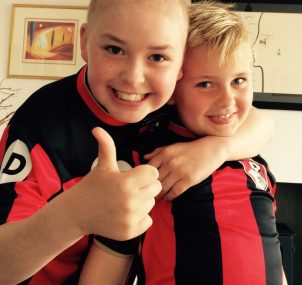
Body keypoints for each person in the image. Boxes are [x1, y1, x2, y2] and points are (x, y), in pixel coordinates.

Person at [0, 0, 274, 284]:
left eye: (157, 57)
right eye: (114, 50)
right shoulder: (44, 120)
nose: (133, 79)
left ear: (181, 65)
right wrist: (75, 215)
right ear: (84, 42)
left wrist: (217, 149)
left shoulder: (172, 102)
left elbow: (259, 122)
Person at [78, 1, 286, 285]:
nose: (227, 100)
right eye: (205, 84)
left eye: (238, 80)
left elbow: (270, 253)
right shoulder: (147, 160)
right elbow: (110, 263)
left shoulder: (253, 159)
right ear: (174, 88)